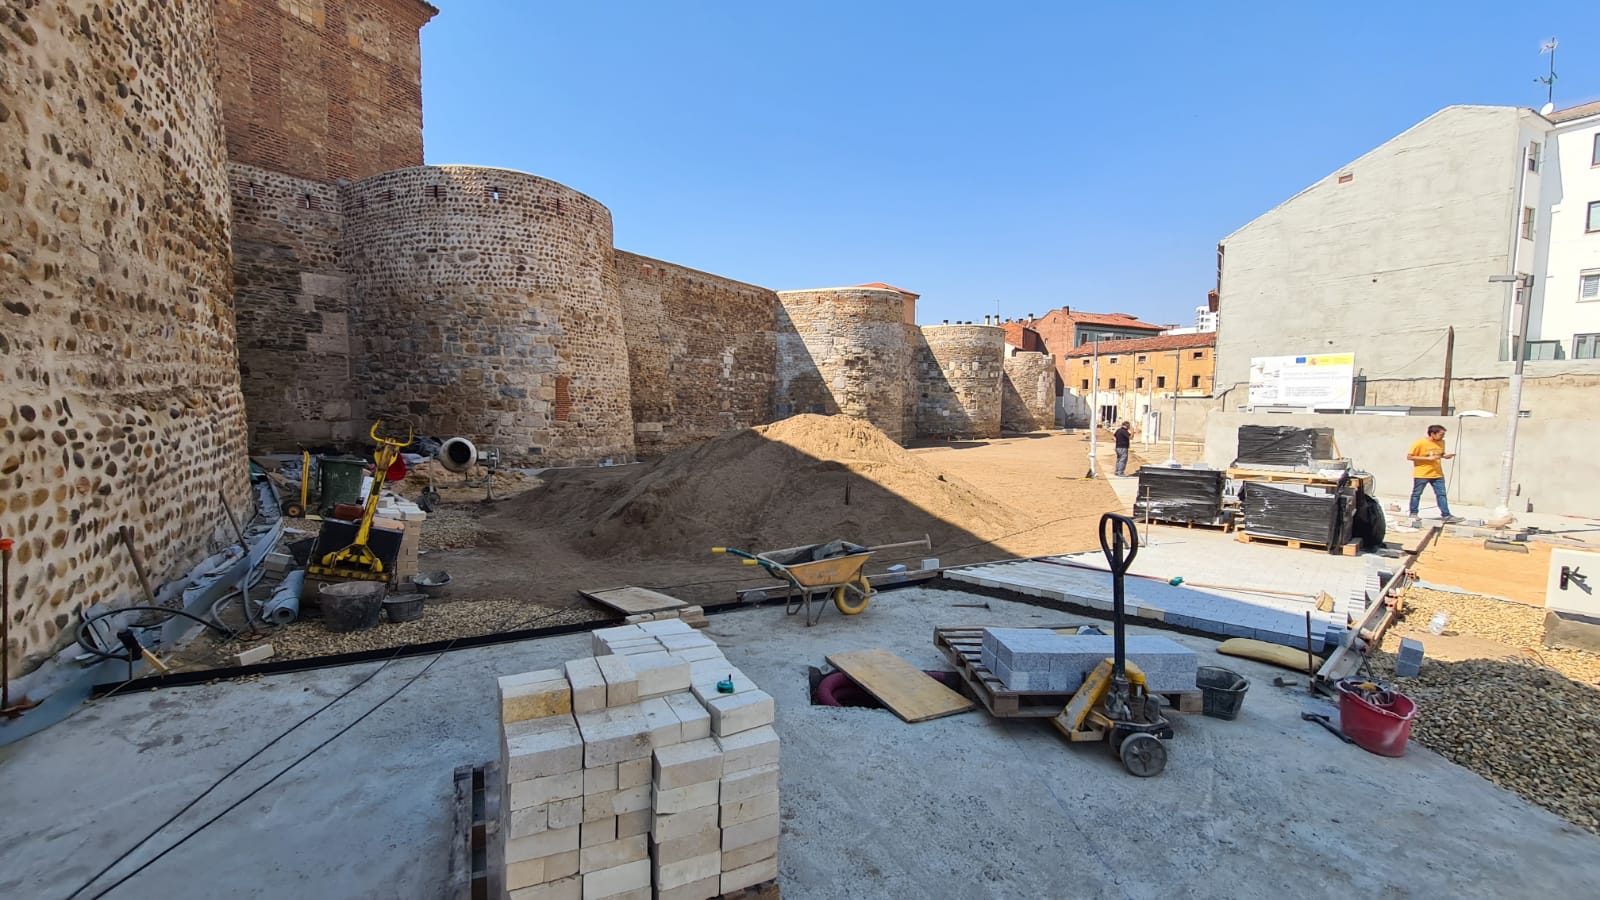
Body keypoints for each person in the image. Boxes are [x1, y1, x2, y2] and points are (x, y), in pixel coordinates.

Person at [1407, 424, 1460, 525]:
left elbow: (1440, 454)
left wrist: (1445, 456)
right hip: (1422, 474)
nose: (1442, 437)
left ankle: (1446, 515)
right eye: (1441, 435)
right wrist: (1427, 459)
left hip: (1437, 474)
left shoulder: (1441, 442)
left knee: (1441, 494)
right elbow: (1409, 457)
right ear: (1432, 434)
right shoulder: (1420, 443)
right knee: (1416, 494)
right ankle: (1413, 513)